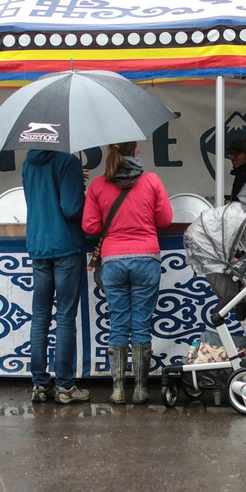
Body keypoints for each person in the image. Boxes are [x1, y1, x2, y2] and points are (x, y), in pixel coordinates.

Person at [83, 142, 173, 405]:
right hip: (146, 258)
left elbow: (90, 225)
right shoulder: (152, 180)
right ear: (135, 152)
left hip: (112, 260)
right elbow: (165, 219)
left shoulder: (99, 185)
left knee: (118, 322)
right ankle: (142, 390)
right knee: (141, 324)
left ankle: (118, 390)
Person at [22, 149, 92, 404]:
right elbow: (71, 208)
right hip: (65, 247)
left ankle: (39, 386)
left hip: (38, 245)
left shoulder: (28, 162)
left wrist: (73, 179)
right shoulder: (68, 161)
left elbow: (39, 199)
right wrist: (81, 191)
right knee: (64, 316)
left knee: (40, 316)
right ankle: (65, 386)